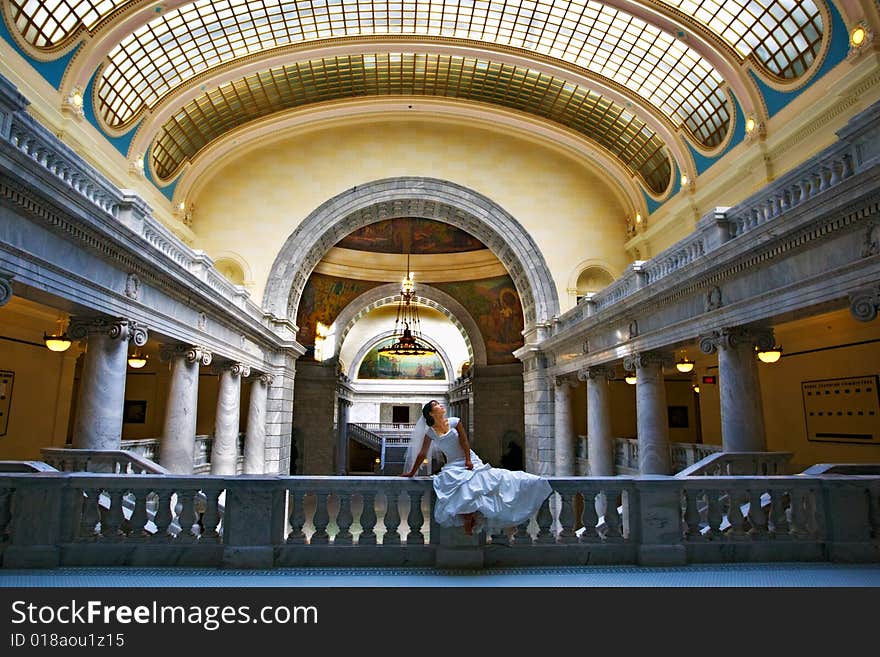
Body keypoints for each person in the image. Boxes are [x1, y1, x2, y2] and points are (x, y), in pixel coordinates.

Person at [401, 400, 552, 535]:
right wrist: (411, 472)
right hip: (453, 463)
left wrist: (468, 460)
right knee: (454, 484)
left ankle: (475, 516)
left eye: (439, 404)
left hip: (468, 458)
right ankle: (469, 517)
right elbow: (421, 454)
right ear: (431, 413)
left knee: (480, 481)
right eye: (437, 405)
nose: (441, 406)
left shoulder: (454, 422)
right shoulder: (430, 433)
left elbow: (465, 443)